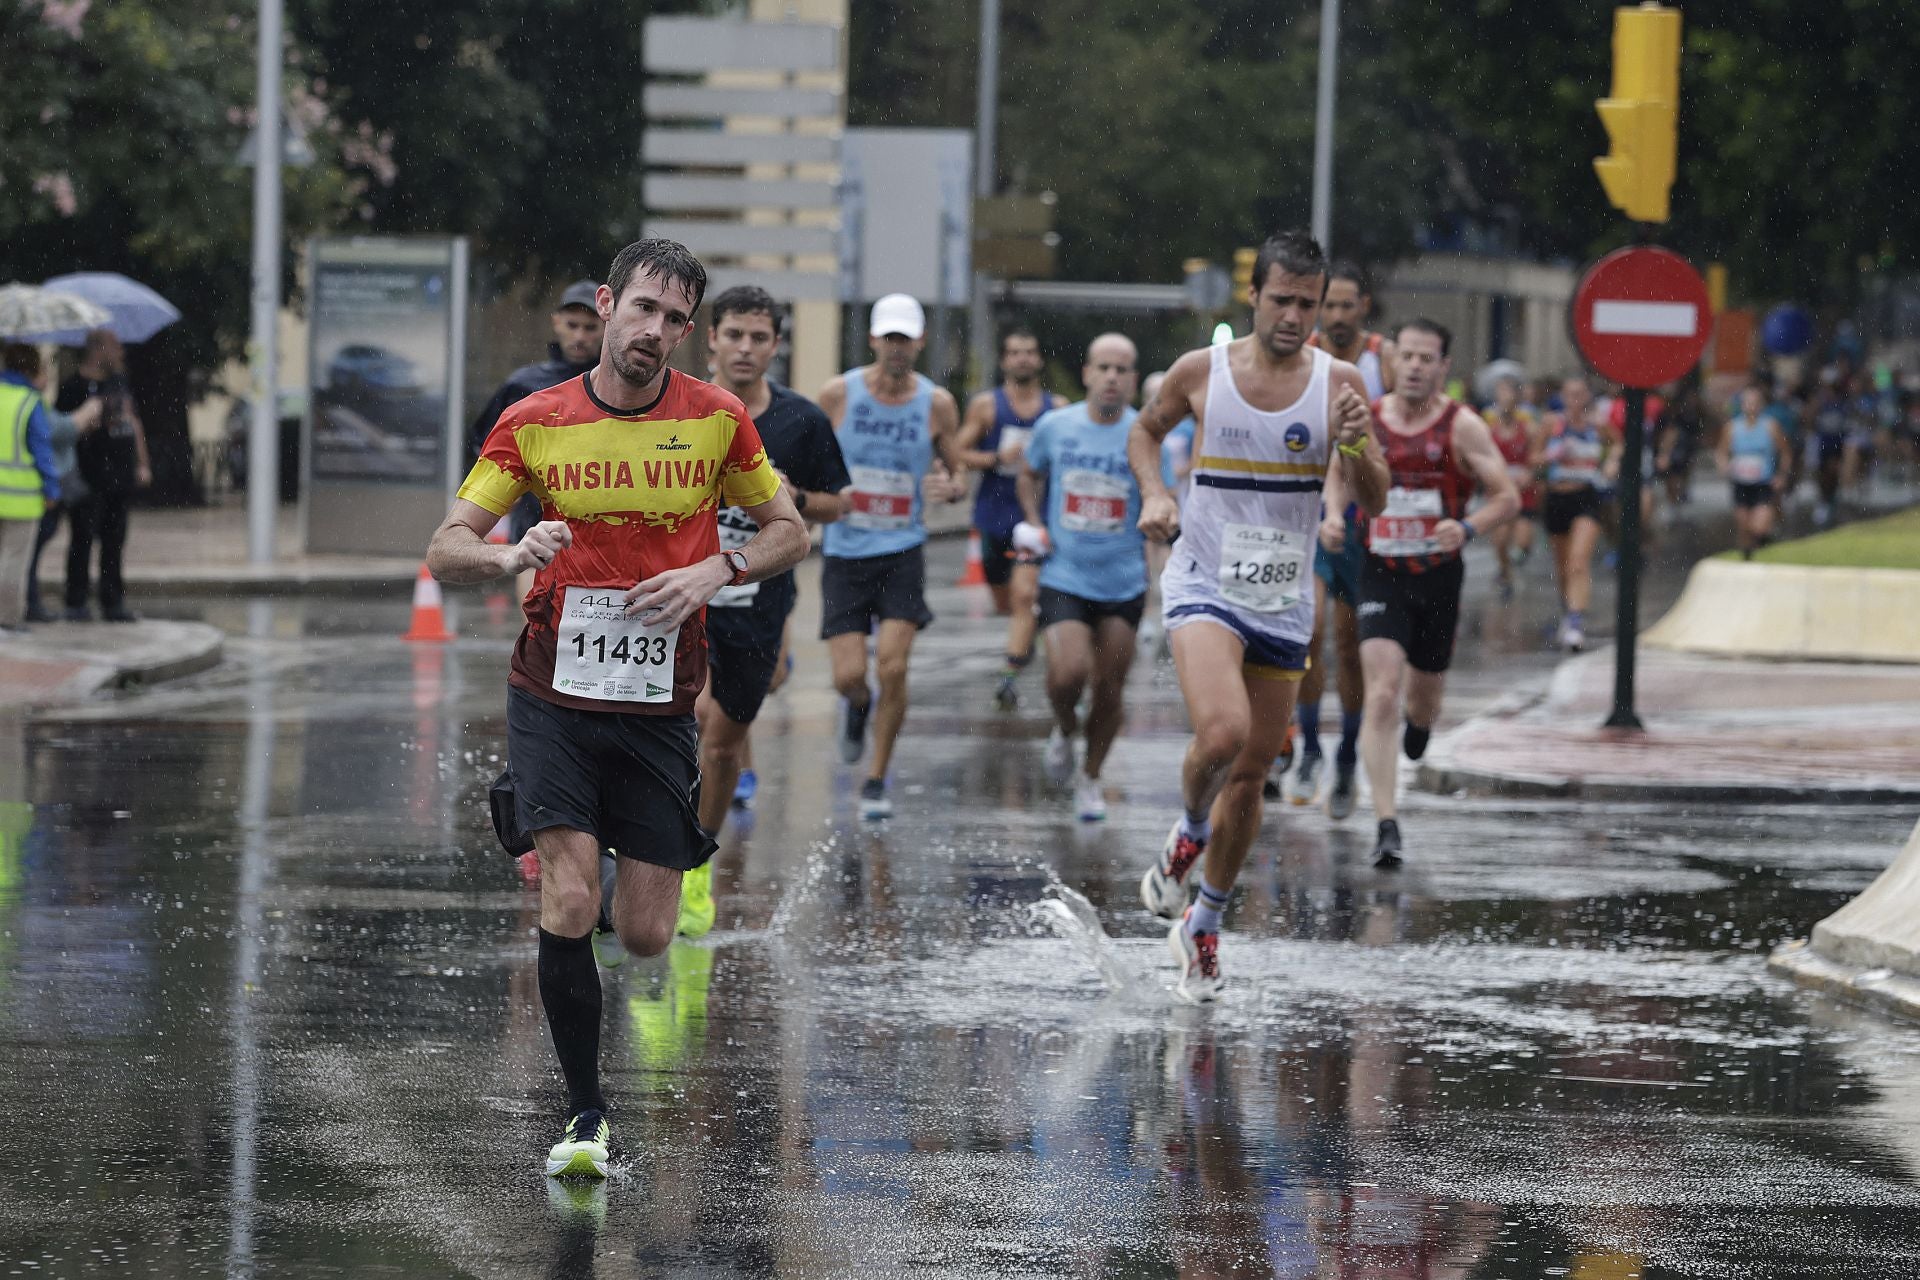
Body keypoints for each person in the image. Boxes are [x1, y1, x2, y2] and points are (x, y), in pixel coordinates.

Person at [424, 239, 808, 1180]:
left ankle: (589, 871)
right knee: (566, 894)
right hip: (550, 692)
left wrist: (716, 569)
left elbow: (789, 528)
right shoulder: (535, 421)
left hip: (656, 705)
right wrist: (509, 556)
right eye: (644, 309)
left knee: (643, 936)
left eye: (676, 320)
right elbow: (445, 548)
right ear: (606, 304)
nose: (656, 333)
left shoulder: (717, 421)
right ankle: (586, 1116)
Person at [1129, 229, 1387, 1003]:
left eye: (1307, 304)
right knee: (1223, 734)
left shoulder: (1338, 383)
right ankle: (1187, 832)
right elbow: (1146, 432)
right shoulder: (1201, 371)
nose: (1294, 316)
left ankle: (1203, 922)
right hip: (1206, 580)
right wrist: (1156, 492)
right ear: (1254, 296)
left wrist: (1357, 444)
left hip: (1281, 596)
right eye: (1281, 300)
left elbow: (1374, 494)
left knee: (1253, 773)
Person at [689, 286, 849, 923]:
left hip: (758, 603)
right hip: (684, 595)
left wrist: (795, 498)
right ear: (712, 339)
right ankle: (653, 850)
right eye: (734, 335)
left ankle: (697, 862)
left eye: (759, 338)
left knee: (725, 745)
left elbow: (841, 502)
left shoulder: (802, 421)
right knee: (686, 719)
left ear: (775, 346)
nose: (745, 349)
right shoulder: (680, 409)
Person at [1348, 319, 1518, 870]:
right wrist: (1330, 516)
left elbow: (1507, 497)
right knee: (1381, 691)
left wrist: (1467, 528)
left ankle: (1419, 729)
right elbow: (1336, 473)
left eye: (1428, 358)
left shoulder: (1462, 425)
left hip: (1438, 573)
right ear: (1392, 361)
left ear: (1444, 367)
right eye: (1408, 356)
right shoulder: (1367, 419)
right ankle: (1385, 822)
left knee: (1422, 699)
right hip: (1379, 569)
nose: (1416, 367)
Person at [818, 293, 968, 820]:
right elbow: (812, 453)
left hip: (902, 549)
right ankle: (856, 707)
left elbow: (957, 468)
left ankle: (877, 778)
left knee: (894, 667)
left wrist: (952, 486)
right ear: (874, 340)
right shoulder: (839, 393)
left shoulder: (937, 403)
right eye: (890, 338)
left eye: (907, 339)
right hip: (845, 548)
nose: (897, 348)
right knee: (849, 676)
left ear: (920, 342)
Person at [1014, 333, 1145, 822]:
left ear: (1133, 380)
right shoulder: (1055, 425)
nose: (1112, 377)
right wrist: (1035, 521)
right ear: (1088, 373)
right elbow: (1028, 472)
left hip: (1124, 581)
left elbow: (1161, 496)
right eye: (1104, 367)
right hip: (1065, 574)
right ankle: (1065, 728)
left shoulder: (1144, 433)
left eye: (1122, 369)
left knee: (1110, 689)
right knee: (1068, 674)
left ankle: (1090, 778)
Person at [1291, 261, 1394, 815]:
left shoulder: (1384, 359)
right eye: (1327, 305)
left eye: (1344, 306)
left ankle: (1349, 755)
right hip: (1309, 511)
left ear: (1363, 308)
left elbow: (1406, 421)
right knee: (1306, 635)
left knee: (1350, 647)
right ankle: (1308, 745)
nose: (1335, 316)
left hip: (1364, 517)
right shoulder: (1303, 355)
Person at [955, 326, 1065, 710]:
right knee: (1007, 603)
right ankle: (1024, 639)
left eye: (1029, 351)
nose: (1023, 358)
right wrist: (994, 459)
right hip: (994, 517)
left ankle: (1009, 674)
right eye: (1015, 352)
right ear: (1004, 360)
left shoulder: (1058, 409)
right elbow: (957, 451)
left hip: (1037, 518)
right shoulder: (987, 407)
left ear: (1039, 359)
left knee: (1025, 596)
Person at [469, 280, 605, 545]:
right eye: (572, 325)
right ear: (557, 323)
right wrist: (499, 486)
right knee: (533, 579)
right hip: (535, 521)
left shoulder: (618, 387)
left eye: (590, 327)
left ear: (605, 327)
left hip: (600, 520)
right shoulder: (523, 385)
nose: (579, 336)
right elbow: (483, 443)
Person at [57, 329, 149, 622]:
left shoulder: (118, 382)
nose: (120, 352)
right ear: (97, 349)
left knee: (115, 540)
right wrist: (87, 422)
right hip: (88, 475)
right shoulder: (73, 388)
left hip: (119, 475)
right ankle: (76, 601)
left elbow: (134, 422)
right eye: (115, 346)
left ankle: (113, 602)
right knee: (82, 540)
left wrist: (142, 462)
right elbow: (63, 431)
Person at [1537, 376, 1612, 653]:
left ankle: (1575, 622)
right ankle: (1568, 611)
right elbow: (1533, 458)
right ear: (1563, 397)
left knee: (1579, 561)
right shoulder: (1550, 424)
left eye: (1580, 393)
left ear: (1588, 396)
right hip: (1557, 497)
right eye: (1570, 394)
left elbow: (1618, 445)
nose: (1575, 400)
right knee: (1563, 565)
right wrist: (1550, 456)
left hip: (1586, 498)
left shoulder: (1598, 425)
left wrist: (1611, 463)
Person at [0, 345, 69, 628]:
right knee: (14, 561)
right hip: (21, 498)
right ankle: (8, 618)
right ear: (30, 370)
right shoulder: (29, 402)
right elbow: (42, 450)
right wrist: (52, 489)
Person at [1717, 382, 1791, 559]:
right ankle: (1747, 559)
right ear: (1742, 405)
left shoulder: (1770, 426)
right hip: (1741, 483)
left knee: (1758, 526)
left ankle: (1764, 539)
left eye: (1754, 402)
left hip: (1763, 483)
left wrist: (1782, 475)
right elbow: (1721, 451)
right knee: (1743, 526)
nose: (1751, 406)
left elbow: (1786, 452)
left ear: (1761, 404)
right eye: (1747, 402)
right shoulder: (1732, 428)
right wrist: (1724, 466)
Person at [1484, 375, 1541, 602]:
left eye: (1508, 392)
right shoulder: (1488, 425)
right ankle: (1506, 575)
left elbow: (1537, 455)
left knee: (1523, 542)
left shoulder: (1528, 426)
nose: (1504, 398)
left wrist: (1531, 472)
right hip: (1499, 492)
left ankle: (1515, 561)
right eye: (1500, 392)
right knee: (1499, 542)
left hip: (1523, 491)